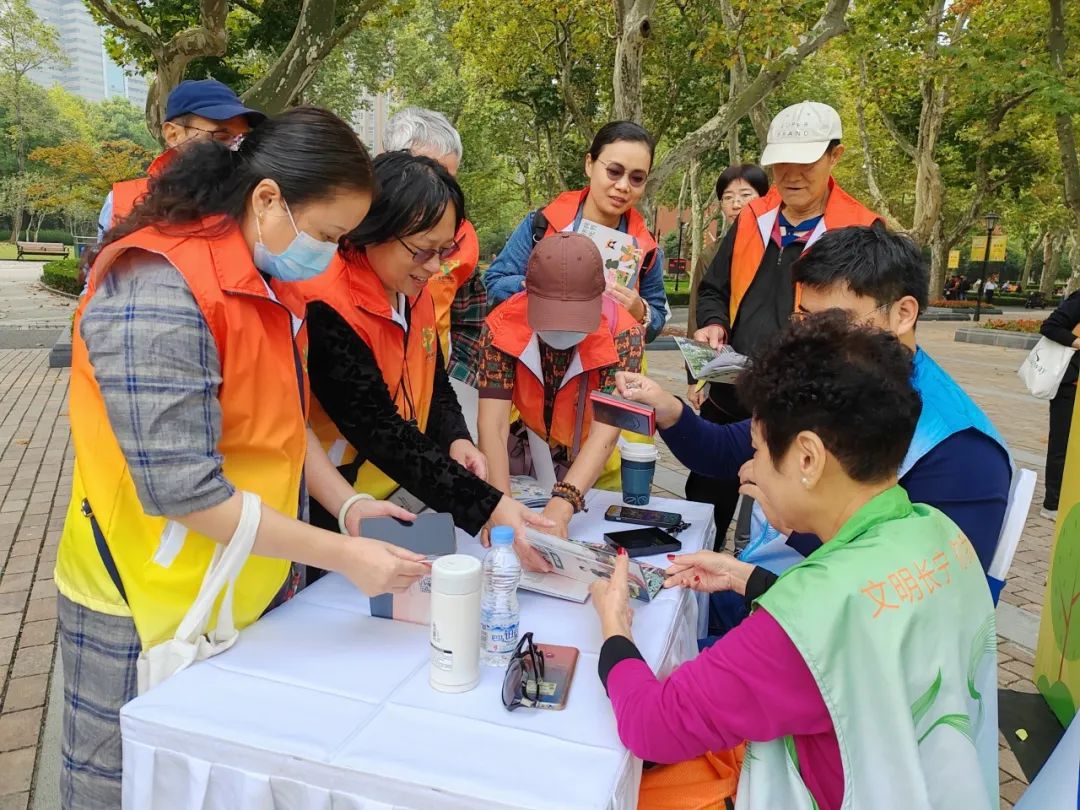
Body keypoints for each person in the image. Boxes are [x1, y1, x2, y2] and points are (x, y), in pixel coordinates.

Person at [56, 107, 431, 808]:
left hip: (239, 585)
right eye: (327, 235)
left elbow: (285, 426)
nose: (329, 255)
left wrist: (346, 505)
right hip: (140, 595)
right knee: (125, 788)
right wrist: (341, 555)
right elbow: (184, 492)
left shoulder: (266, 278)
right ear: (267, 199)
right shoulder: (157, 288)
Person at [592, 313, 999, 810]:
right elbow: (869, 632)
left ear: (807, 458)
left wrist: (614, 629)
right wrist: (757, 581)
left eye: (759, 450)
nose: (750, 468)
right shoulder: (939, 533)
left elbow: (652, 726)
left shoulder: (803, 620)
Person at [619, 224, 1011, 631]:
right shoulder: (826, 380)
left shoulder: (960, 449)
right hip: (761, 595)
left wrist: (795, 518)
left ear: (903, 313)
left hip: (823, 644)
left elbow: (928, 611)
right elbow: (725, 451)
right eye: (804, 319)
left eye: (834, 322)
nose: (814, 340)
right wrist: (667, 409)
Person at [297, 151, 552, 563]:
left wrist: (455, 437)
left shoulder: (414, 289)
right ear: (372, 229)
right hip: (330, 501)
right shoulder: (327, 305)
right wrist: (485, 504)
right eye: (421, 250)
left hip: (395, 491)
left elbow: (432, 378)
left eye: (444, 250)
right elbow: (377, 428)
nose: (434, 266)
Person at [688, 101, 879, 539]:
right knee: (707, 496)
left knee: (784, 520)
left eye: (806, 161)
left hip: (803, 403)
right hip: (730, 388)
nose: (791, 175)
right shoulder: (753, 217)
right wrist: (713, 322)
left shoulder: (861, 229)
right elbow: (713, 288)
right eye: (780, 164)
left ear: (835, 156)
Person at [478, 232, 645, 539]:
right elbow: (494, 423)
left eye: (575, 318)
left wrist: (561, 508)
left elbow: (605, 433)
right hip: (533, 451)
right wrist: (497, 503)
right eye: (551, 317)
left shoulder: (625, 336)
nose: (563, 330)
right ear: (527, 293)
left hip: (592, 461)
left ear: (600, 296)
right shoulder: (499, 328)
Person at [483, 121, 668, 342]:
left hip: (611, 369)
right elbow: (494, 285)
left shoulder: (646, 250)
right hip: (534, 364)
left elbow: (657, 318)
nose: (623, 186)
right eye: (614, 172)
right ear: (589, 164)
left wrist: (641, 311)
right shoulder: (540, 225)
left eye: (637, 178)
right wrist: (532, 286)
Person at [383, 107, 486, 440]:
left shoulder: (462, 238)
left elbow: (469, 321)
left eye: (449, 179)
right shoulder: (350, 231)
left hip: (429, 392)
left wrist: (452, 390)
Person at [98, 79, 263, 238]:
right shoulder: (121, 202)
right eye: (221, 137)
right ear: (173, 134)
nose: (235, 148)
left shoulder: (259, 199)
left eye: (243, 138)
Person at [687, 164, 770, 410]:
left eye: (746, 195)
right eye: (728, 197)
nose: (736, 204)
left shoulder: (779, 249)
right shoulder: (710, 255)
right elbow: (696, 315)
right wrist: (696, 379)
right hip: (722, 372)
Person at [1039, 289, 1080, 520]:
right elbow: (1050, 326)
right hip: (1070, 386)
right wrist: (1077, 342)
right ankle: (1052, 504)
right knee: (1061, 446)